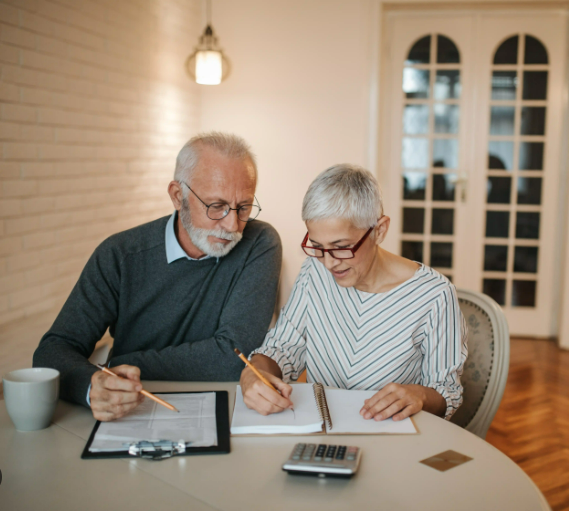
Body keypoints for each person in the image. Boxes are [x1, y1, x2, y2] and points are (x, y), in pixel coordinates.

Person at [33, 132, 282, 421]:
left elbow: (234, 357)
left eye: (244, 207)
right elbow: (52, 351)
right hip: (130, 412)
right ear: (178, 196)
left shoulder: (259, 242)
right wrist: (93, 385)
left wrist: (121, 362)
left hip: (227, 410)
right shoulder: (120, 255)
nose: (232, 224)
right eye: (216, 206)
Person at [241, 164, 466, 422]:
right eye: (317, 246)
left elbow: (447, 392)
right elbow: (282, 347)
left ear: (379, 230)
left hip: (393, 438)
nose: (329, 263)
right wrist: (254, 371)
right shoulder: (314, 272)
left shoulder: (435, 295)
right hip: (322, 435)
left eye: (341, 247)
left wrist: (420, 395)